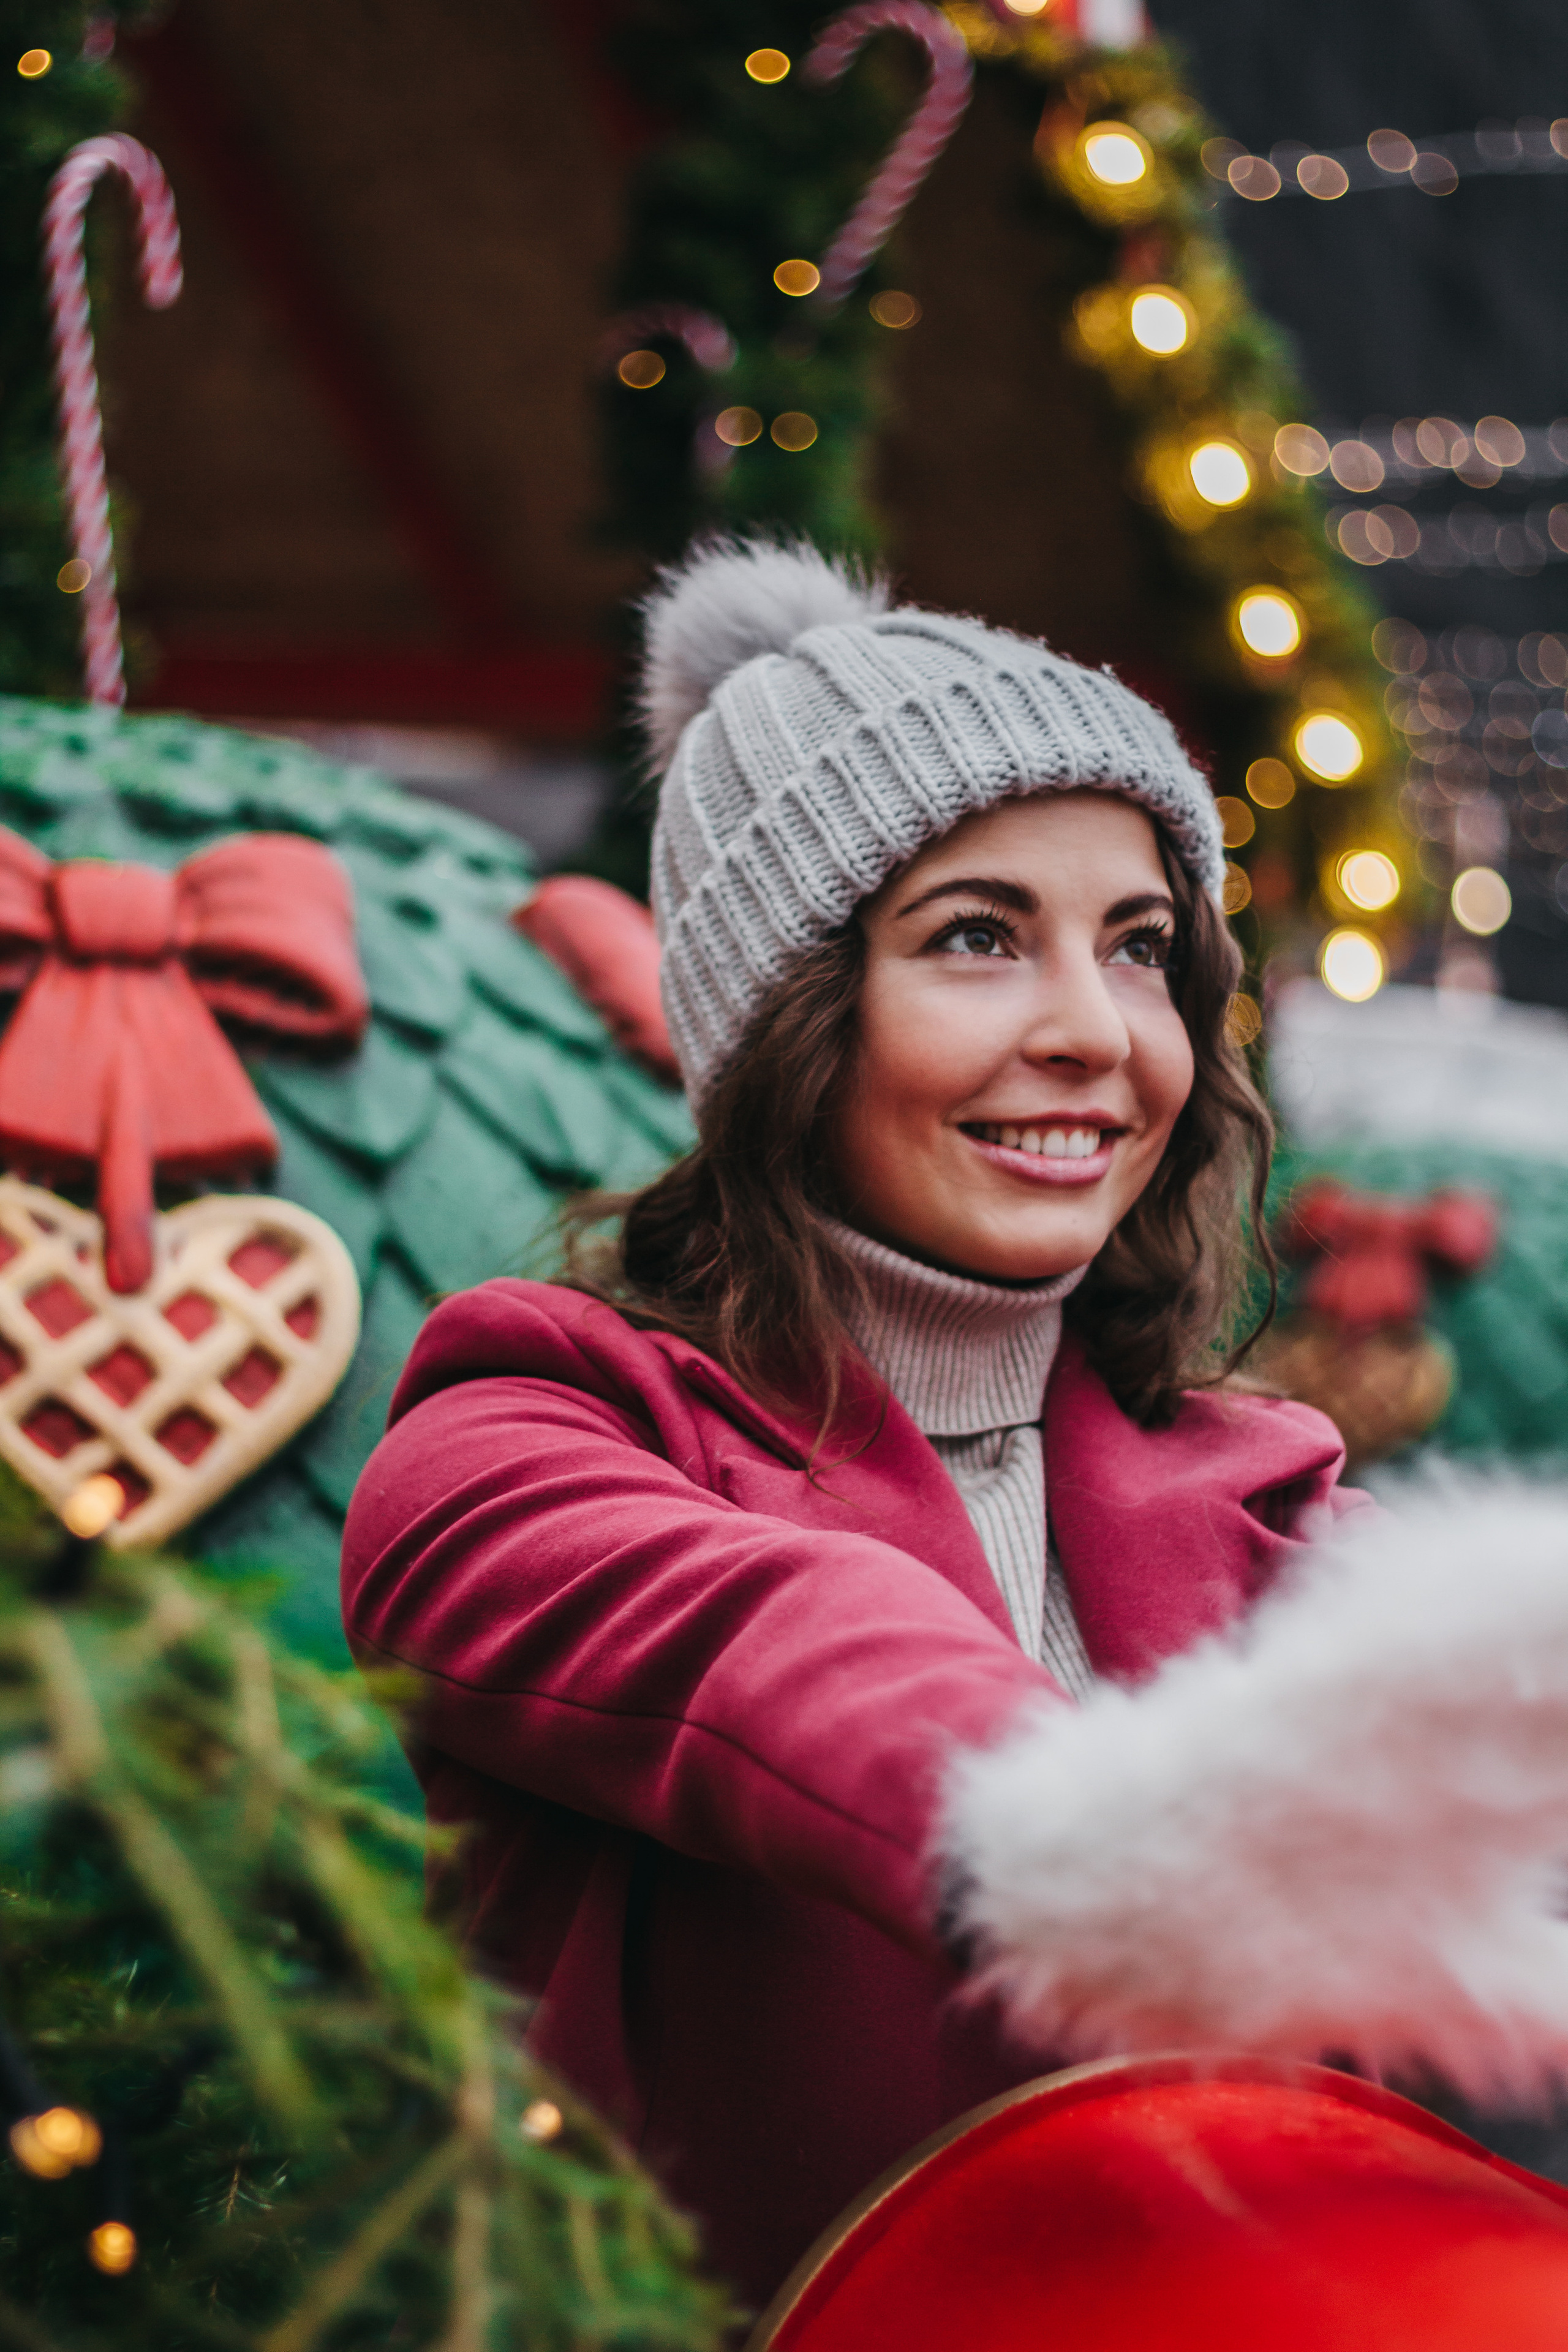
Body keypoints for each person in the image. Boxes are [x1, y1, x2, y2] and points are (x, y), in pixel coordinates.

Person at [342, 540, 1568, 2312]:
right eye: (978, 938)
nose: (1095, 1032)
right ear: (785, 1023)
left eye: (1141, 948)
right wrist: (1079, 1825)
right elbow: (769, 1642)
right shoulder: (528, 1434)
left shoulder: (1268, 1501)